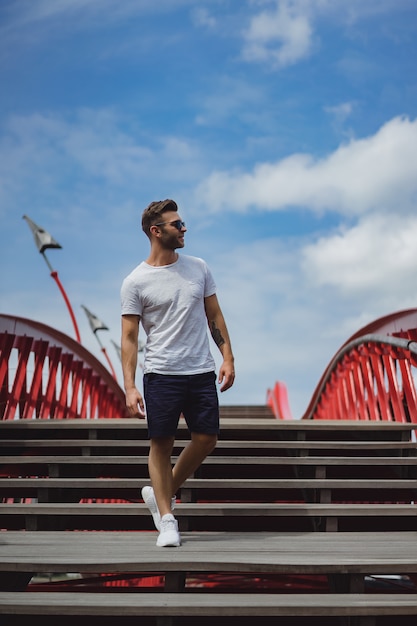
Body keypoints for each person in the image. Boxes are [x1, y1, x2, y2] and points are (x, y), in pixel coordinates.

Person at [120, 199, 235, 547]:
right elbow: (128, 338)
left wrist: (227, 356)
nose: (184, 229)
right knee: (162, 443)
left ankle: (160, 492)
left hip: (200, 369)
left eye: (183, 223)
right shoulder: (135, 282)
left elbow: (214, 315)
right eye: (177, 224)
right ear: (156, 232)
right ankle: (167, 518)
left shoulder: (198, 268)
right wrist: (129, 386)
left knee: (207, 439)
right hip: (160, 372)